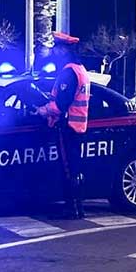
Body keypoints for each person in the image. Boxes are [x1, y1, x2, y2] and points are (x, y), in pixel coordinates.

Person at [36, 32, 90, 219]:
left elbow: (61, 104)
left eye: (56, 48)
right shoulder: (80, 69)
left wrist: (43, 111)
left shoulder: (69, 73)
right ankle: (78, 206)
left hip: (68, 127)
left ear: (64, 50)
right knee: (75, 167)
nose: (54, 52)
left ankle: (72, 208)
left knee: (68, 168)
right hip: (78, 126)